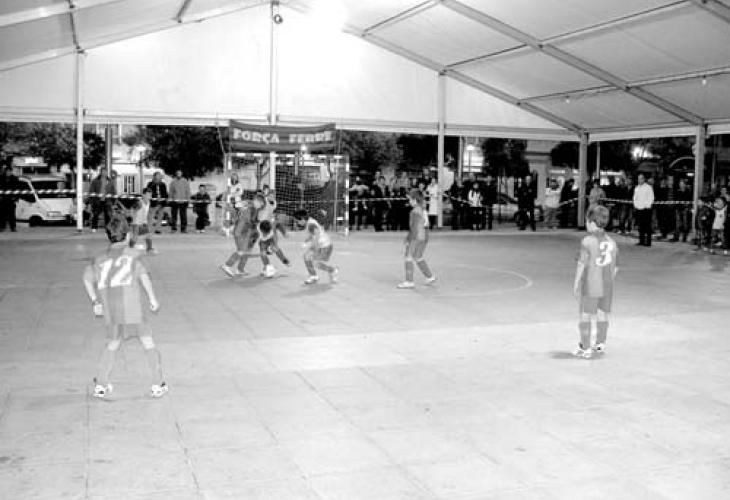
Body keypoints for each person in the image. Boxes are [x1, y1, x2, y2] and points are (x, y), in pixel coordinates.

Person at [82, 214, 167, 399]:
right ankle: (157, 383)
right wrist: (152, 299)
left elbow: (86, 279)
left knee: (112, 344)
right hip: (133, 309)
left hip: (111, 311)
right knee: (147, 342)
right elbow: (144, 277)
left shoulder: (99, 258)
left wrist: (95, 301)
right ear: (128, 235)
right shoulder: (134, 255)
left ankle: (101, 385)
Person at [572, 205, 618, 359]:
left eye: (587, 221)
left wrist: (576, 284)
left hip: (591, 285)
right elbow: (615, 267)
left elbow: (581, 264)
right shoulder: (612, 242)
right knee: (602, 313)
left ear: (591, 223)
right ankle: (600, 343)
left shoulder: (587, 241)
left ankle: (585, 346)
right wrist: (609, 281)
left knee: (585, 314)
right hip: (607, 285)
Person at [398, 188, 436, 289]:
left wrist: (408, 239)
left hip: (416, 236)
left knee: (408, 256)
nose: (409, 201)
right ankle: (429, 276)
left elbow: (414, 227)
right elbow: (426, 225)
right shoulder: (423, 209)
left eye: (410, 199)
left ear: (415, 199)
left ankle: (409, 281)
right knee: (418, 256)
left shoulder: (414, 211)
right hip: (424, 236)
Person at [221, 194, 265, 277]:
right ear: (256, 201)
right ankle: (227, 265)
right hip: (240, 232)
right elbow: (246, 222)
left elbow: (254, 223)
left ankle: (240, 269)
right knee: (241, 251)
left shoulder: (255, 210)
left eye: (261, 204)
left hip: (247, 233)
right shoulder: (249, 209)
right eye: (259, 203)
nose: (260, 205)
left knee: (247, 251)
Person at [293, 209, 338, 285]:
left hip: (325, 246)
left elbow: (317, 237)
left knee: (316, 263)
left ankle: (332, 270)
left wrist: (316, 251)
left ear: (303, 219)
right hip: (320, 245)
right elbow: (313, 235)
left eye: (297, 221)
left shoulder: (311, 225)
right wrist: (307, 240)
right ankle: (313, 276)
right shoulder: (309, 221)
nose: (297, 223)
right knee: (306, 256)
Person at [129, 188, 156, 254]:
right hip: (136, 224)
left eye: (150, 195)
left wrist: (151, 219)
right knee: (135, 238)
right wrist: (133, 218)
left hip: (144, 223)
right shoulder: (139, 203)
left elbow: (146, 212)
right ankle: (130, 247)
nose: (149, 196)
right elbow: (132, 209)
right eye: (148, 195)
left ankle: (149, 249)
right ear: (143, 195)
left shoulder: (148, 202)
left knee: (148, 235)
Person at [88, 168, 116, 233]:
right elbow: (91, 190)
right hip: (98, 200)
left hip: (107, 200)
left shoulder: (110, 181)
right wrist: (92, 200)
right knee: (95, 214)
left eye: (105, 172)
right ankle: (94, 227)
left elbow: (113, 191)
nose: (104, 173)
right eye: (103, 171)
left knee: (107, 215)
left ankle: (107, 228)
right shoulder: (95, 181)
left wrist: (114, 200)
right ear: (100, 172)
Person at [633, 174, 654, 246]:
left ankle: (648, 242)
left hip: (646, 209)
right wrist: (636, 205)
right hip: (639, 209)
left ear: (644, 179)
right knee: (640, 226)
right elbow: (635, 197)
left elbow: (651, 197)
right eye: (638, 179)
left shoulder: (648, 187)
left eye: (641, 179)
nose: (639, 180)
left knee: (647, 226)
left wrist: (647, 206)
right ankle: (641, 241)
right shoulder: (636, 188)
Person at [0, 166, 19, 232]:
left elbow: (17, 189)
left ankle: (13, 227)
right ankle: (2, 227)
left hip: (11, 199)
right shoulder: (1, 178)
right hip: (3, 199)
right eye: (7, 171)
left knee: (12, 214)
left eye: (10, 171)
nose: (8, 172)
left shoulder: (15, 179)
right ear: (5, 172)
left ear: (11, 172)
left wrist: (15, 198)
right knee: (2, 214)